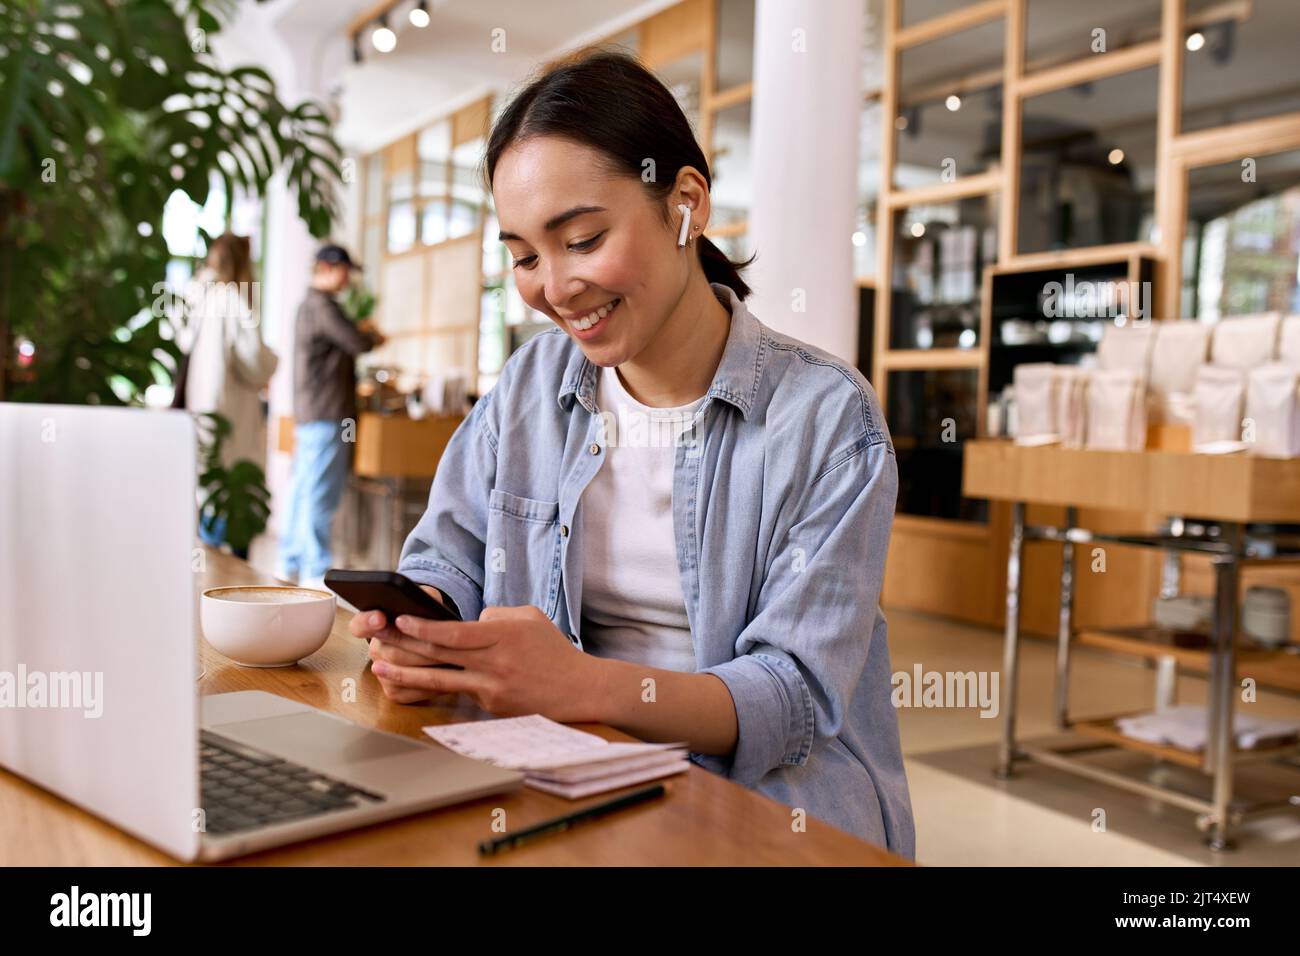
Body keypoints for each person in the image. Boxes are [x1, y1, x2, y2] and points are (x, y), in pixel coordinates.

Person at [349, 52, 914, 855]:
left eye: (582, 239)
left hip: (769, 808)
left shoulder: (825, 419)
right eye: (523, 256)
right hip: (566, 775)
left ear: (685, 205)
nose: (553, 286)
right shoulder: (530, 384)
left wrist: (577, 685)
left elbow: (792, 697)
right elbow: (451, 555)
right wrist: (429, 624)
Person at [278, 245, 385, 588]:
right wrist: (371, 333)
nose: (347, 278)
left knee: (303, 489)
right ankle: (315, 570)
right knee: (320, 492)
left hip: (312, 413)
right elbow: (357, 343)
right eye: (343, 271)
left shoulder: (305, 307)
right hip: (328, 414)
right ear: (326, 267)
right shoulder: (324, 308)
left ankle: (291, 561)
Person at [182, 233, 278, 559]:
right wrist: (274, 358)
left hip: (202, 417)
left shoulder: (198, 298)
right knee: (234, 509)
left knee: (207, 500)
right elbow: (256, 365)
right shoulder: (233, 301)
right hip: (232, 421)